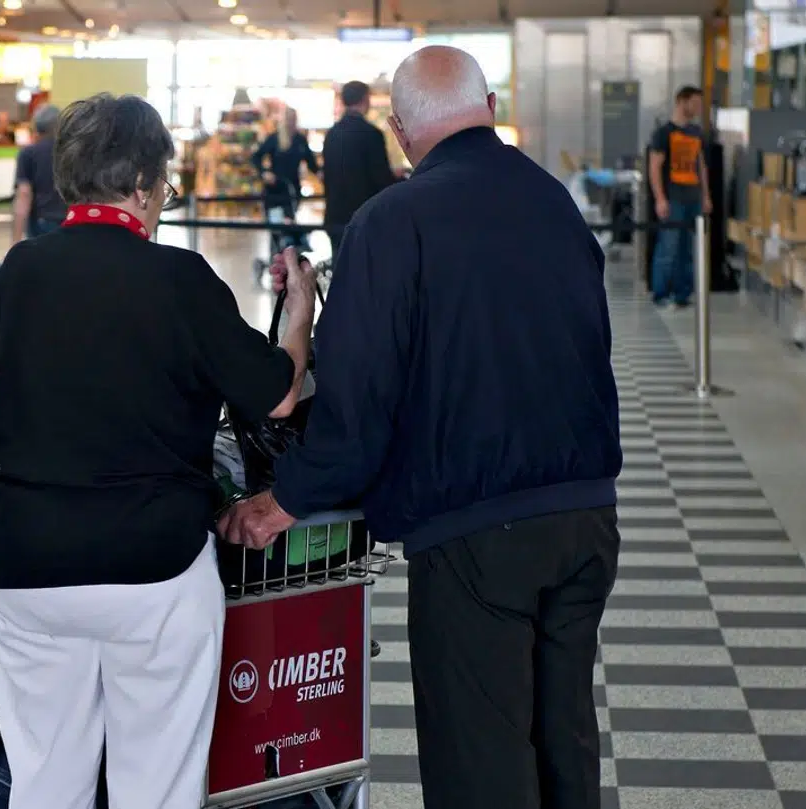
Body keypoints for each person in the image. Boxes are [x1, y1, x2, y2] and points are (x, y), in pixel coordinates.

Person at [221, 46, 622, 809]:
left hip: (475, 533)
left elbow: (357, 403)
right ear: (492, 108)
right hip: (587, 516)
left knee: (484, 755)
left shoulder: (393, 221)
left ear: (402, 130)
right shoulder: (553, 202)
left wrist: (283, 501)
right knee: (563, 734)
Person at [0, 93, 316, 809]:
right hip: (150, 560)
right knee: (155, 783)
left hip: (23, 553)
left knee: (44, 778)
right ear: (140, 183)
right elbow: (277, 393)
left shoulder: (20, 269)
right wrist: (299, 310)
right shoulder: (177, 276)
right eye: (163, 182)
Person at [647, 85, 711, 309]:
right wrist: (660, 198)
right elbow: (654, 167)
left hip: (693, 197)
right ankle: (661, 293)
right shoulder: (664, 133)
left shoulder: (696, 133)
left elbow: (701, 165)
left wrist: (706, 195)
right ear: (681, 101)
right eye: (694, 102)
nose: (697, 107)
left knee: (688, 249)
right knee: (668, 247)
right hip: (673, 198)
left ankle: (683, 293)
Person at [321, 80, 395, 254]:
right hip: (364, 218)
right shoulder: (372, 134)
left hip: (335, 216)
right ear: (364, 99)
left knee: (339, 268)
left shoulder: (331, 134)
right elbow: (381, 179)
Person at [252, 106, 320, 248]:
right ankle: (276, 254)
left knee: (289, 224)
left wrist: (321, 174)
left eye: (294, 120)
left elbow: (311, 163)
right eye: (289, 119)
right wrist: (264, 172)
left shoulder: (300, 140)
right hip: (275, 192)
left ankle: (288, 253)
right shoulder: (274, 138)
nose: (291, 123)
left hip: (293, 191)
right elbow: (256, 157)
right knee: (277, 227)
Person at [13, 104, 66, 242]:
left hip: (42, 223)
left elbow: (24, 194)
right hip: (72, 222)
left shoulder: (28, 154)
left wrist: (15, 241)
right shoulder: (72, 153)